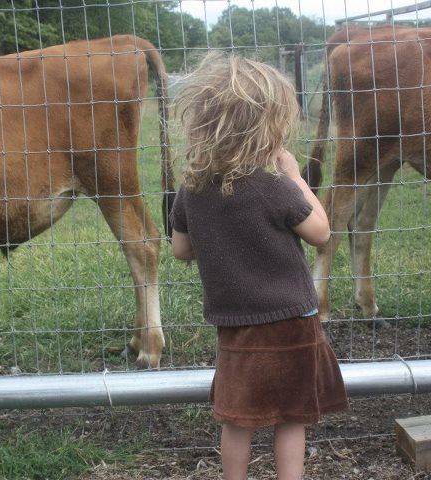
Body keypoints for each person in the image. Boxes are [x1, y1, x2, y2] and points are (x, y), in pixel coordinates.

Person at [169, 52, 349, 480]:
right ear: (268, 126)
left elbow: (180, 250)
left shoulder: (192, 190)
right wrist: (296, 177)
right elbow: (321, 232)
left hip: (235, 325)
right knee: (291, 416)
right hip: (291, 322)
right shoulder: (274, 187)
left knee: (238, 418)